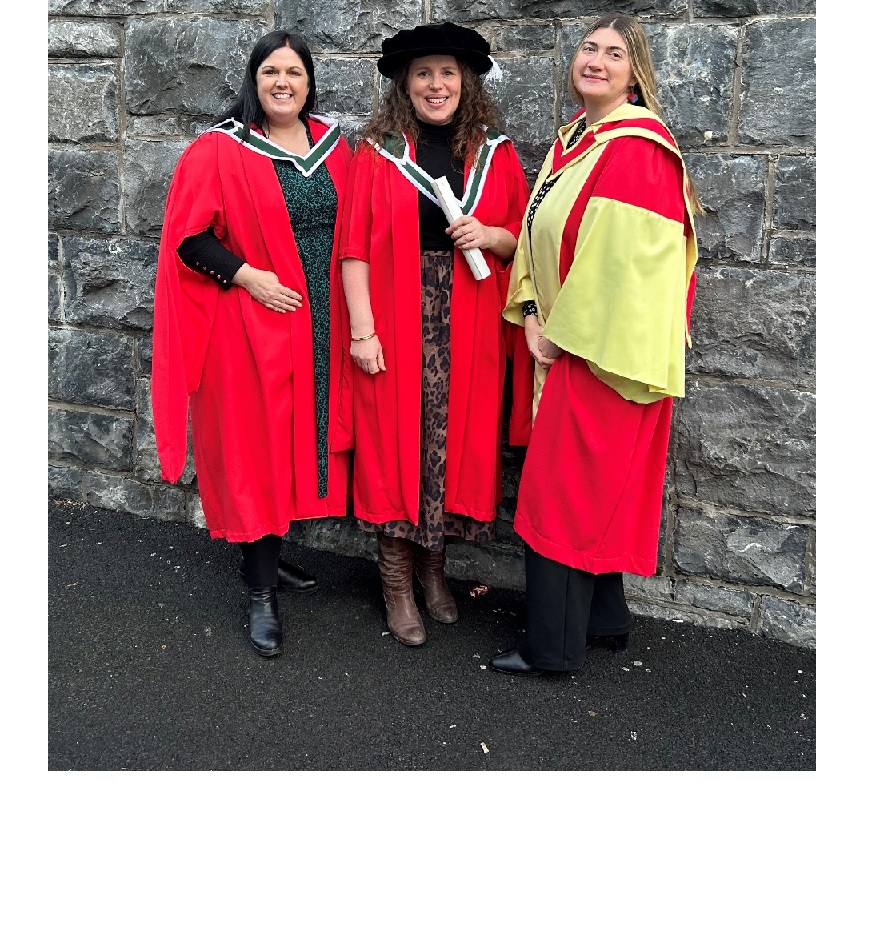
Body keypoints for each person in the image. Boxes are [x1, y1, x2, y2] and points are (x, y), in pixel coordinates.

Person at [489, 13, 704, 676]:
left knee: (561, 492)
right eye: (588, 48)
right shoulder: (577, 142)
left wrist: (558, 333)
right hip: (568, 340)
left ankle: (551, 648)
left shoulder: (636, 148)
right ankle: (606, 620)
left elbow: (620, 267)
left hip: (604, 352)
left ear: (633, 71)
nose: (596, 61)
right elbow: (538, 233)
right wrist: (527, 307)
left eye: (613, 53)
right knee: (591, 487)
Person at [152, 30, 354, 658]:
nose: (283, 82)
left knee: (301, 443)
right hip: (254, 327)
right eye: (271, 72)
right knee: (259, 447)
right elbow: (190, 238)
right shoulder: (220, 148)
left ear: (309, 80)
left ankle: (269, 554)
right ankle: (260, 587)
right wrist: (249, 276)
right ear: (254, 80)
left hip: (324, 324)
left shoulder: (336, 147)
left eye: (294, 71)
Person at [339, 22, 532, 647]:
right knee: (395, 445)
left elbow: (522, 242)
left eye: (447, 72)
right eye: (423, 73)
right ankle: (395, 586)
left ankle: (433, 573)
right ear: (405, 84)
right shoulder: (377, 151)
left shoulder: (494, 153)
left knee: (448, 446)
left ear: (466, 81)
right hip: (396, 314)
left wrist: (492, 235)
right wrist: (362, 329)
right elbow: (354, 250)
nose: (436, 84)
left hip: (468, 317)